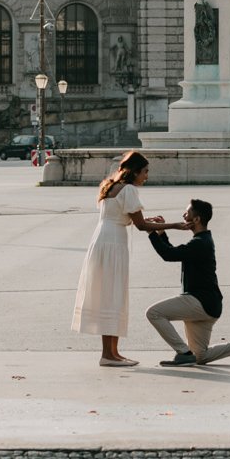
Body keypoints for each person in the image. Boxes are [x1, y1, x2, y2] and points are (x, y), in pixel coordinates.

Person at [146, 198, 230, 367]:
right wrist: (161, 232)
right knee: (200, 356)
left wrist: (151, 232)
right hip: (209, 305)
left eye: (187, 213)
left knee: (154, 313)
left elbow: (168, 255)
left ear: (197, 219)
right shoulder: (202, 241)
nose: (183, 215)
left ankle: (183, 353)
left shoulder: (200, 243)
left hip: (199, 301)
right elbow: (173, 252)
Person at [71, 150, 162, 367]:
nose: (147, 176)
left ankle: (112, 352)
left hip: (102, 241)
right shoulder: (129, 189)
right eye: (145, 171)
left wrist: (152, 220)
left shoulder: (110, 186)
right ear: (135, 171)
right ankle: (108, 355)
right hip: (113, 244)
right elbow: (140, 225)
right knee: (114, 294)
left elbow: (124, 217)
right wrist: (172, 225)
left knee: (109, 294)